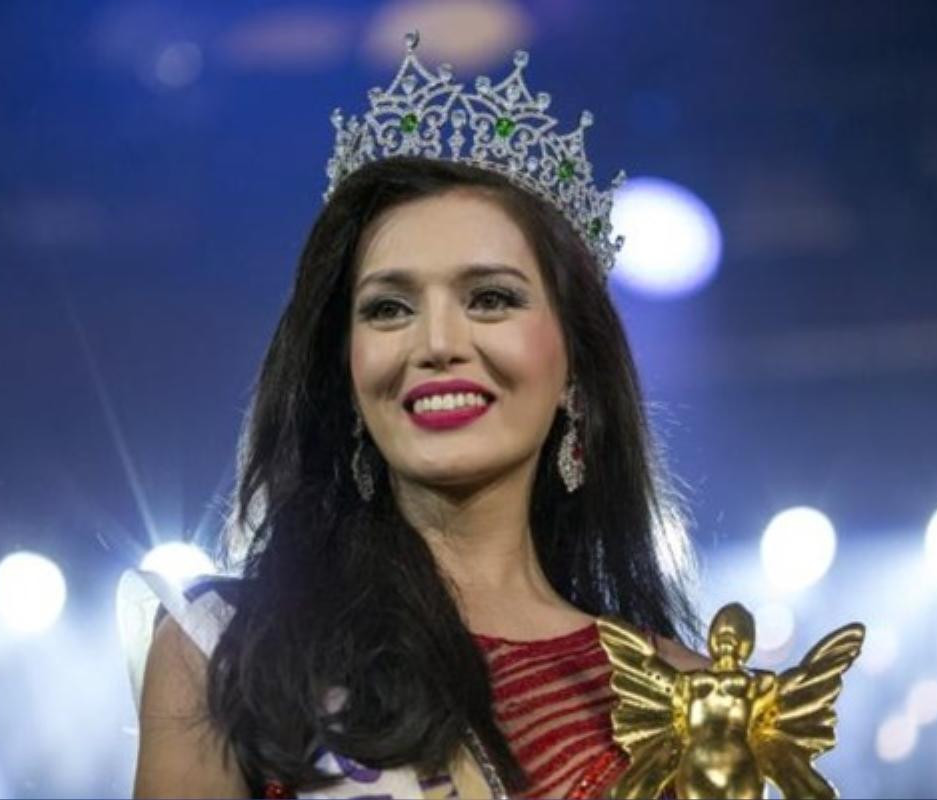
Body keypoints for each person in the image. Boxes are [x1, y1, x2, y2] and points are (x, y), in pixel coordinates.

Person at [121, 32, 707, 799]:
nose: (436, 344)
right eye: (389, 308)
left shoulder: (686, 700)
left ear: (575, 367)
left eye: (490, 298)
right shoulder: (229, 651)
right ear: (347, 369)